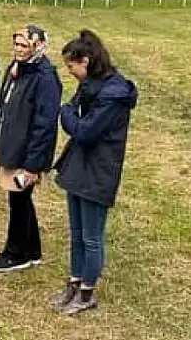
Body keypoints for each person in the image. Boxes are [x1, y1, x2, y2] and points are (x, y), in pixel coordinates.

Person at [50, 30, 138, 315]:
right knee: (76, 233)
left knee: (91, 236)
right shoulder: (90, 85)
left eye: (71, 66)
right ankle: (75, 282)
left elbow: (86, 132)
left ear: (85, 61)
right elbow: (74, 112)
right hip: (79, 166)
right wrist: (70, 113)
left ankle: (87, 292)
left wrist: (65, 115)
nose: (69, 72)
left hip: (98, 171)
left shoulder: (113, 94)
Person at [0, 25, 62, 273]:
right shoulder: (18, 68)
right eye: (16, 44)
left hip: (26, 151)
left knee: (19, 200)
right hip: (12, 145)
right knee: (20, 199)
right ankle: (32, 250)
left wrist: (33, 164)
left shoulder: (45, 78)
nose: (18, 50)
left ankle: (15, 253)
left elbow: (44, 124)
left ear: (38, 46)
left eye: (24, 45)